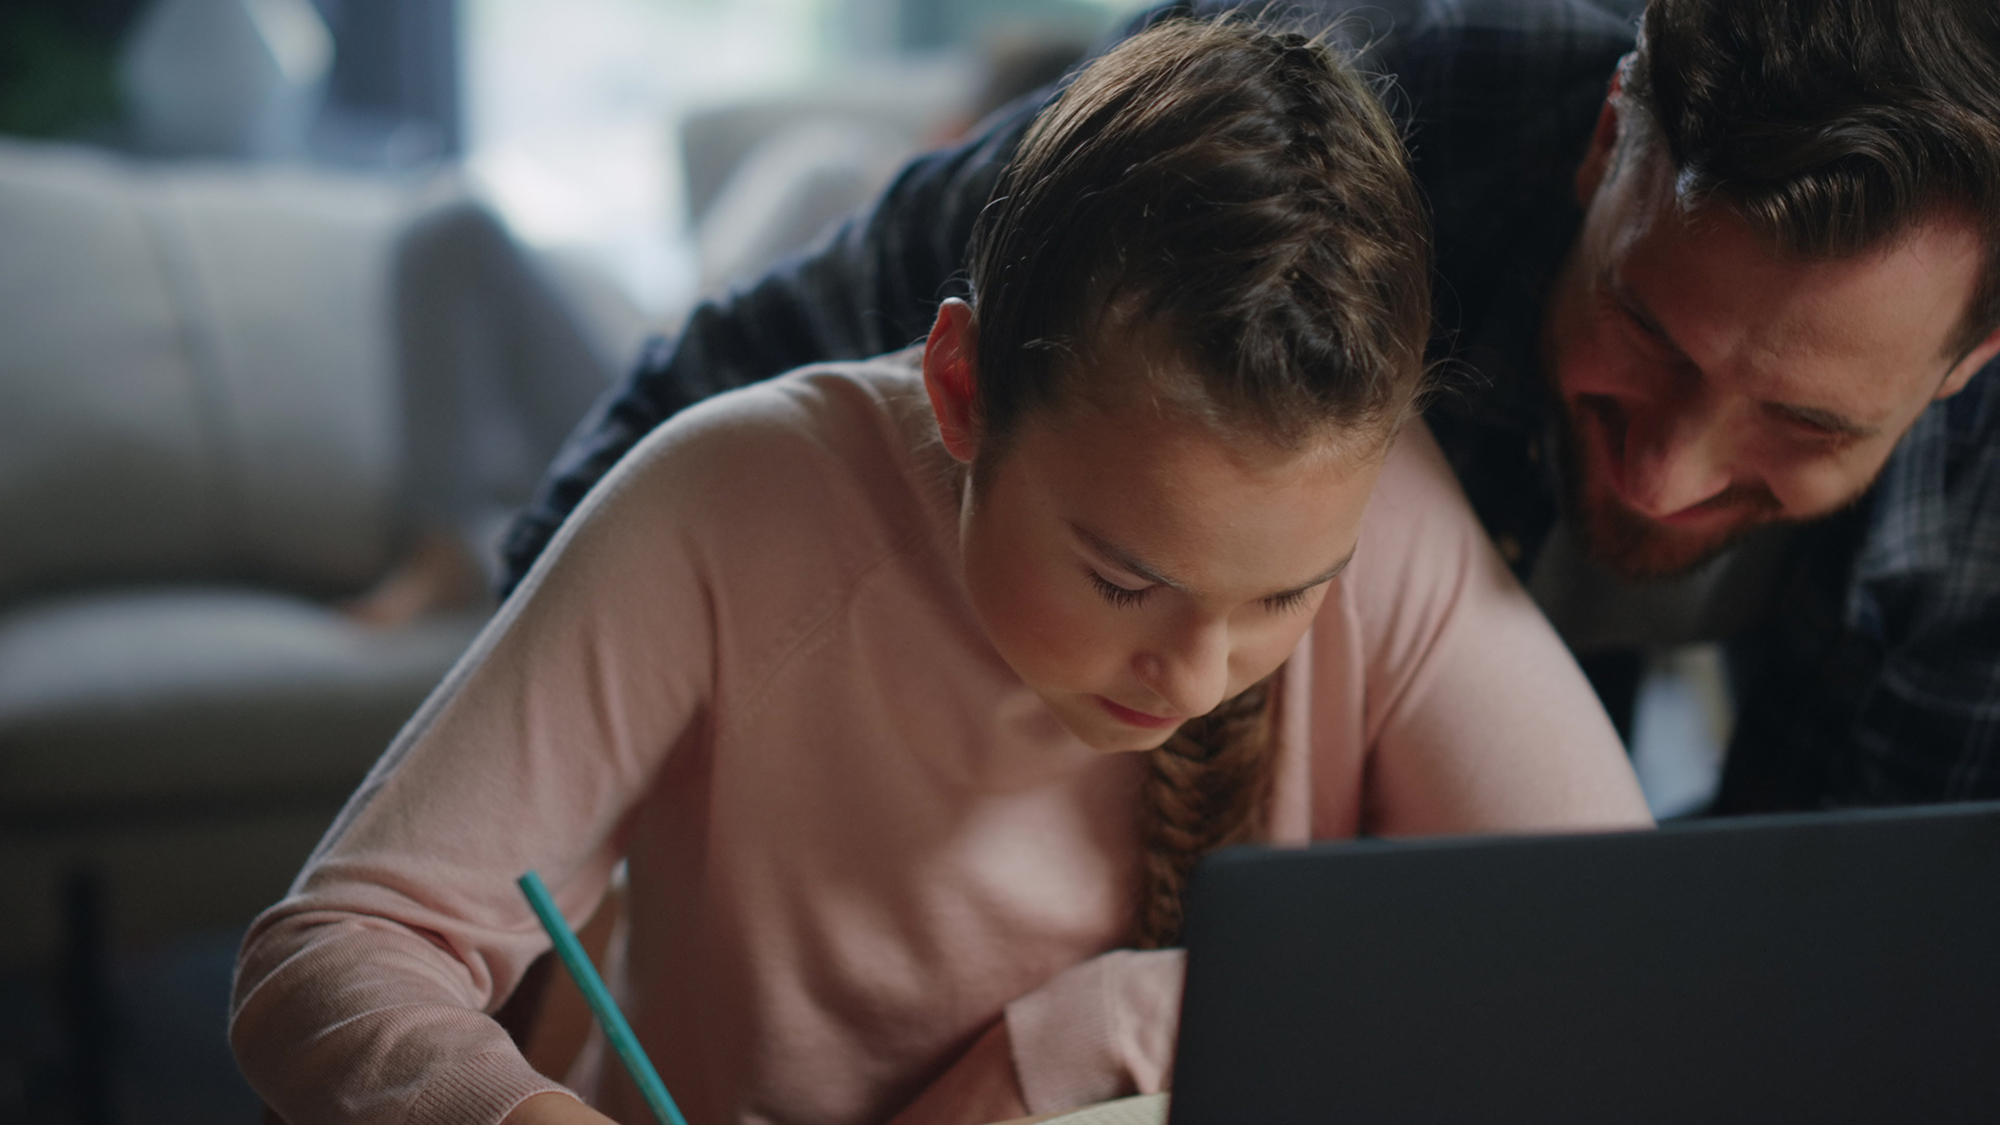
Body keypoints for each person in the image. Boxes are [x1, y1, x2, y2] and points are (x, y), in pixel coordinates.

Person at [230, 18, 1649, 1125]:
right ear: (962, 389)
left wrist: (1080, 1041)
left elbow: (1614, 971)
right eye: (1119, 576)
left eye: (1287, 596)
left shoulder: (1388, 507)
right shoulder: (731, 501)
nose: (1200, 674)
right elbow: (333, 950)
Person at [502, 0, 2000, 815]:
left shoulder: (1978, 501)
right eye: (1648, 333)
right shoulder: (1328, 100)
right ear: (1612, 139)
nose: (1673, 469)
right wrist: (548, 782)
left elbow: (1828, 959)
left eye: (1807, 425)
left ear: (1967, 367)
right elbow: (731, 376)